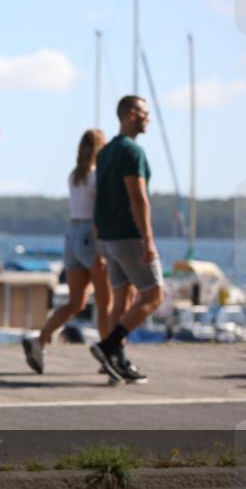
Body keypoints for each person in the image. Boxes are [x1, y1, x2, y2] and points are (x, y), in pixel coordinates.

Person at [22, 129, 112, 374]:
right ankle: (109, 354)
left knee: (76, 302)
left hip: (72, 235)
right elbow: (98, 214)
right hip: (90, 235)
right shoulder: (97, 176)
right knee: (105, 302)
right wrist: (101, 250)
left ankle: (40, 340)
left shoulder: (75, 176)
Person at [89, 95, 164, 384]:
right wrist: (148, 239)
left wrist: (99, 241)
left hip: (108, 238)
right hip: (129, 237)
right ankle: (108, 346)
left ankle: (114, 361)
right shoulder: (132, 151)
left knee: (121, 299)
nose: (148, 118)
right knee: (154, 296)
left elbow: (99, 198)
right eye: (145, 112)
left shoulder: (105, 152)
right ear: (132, 114)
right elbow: (138, 198)